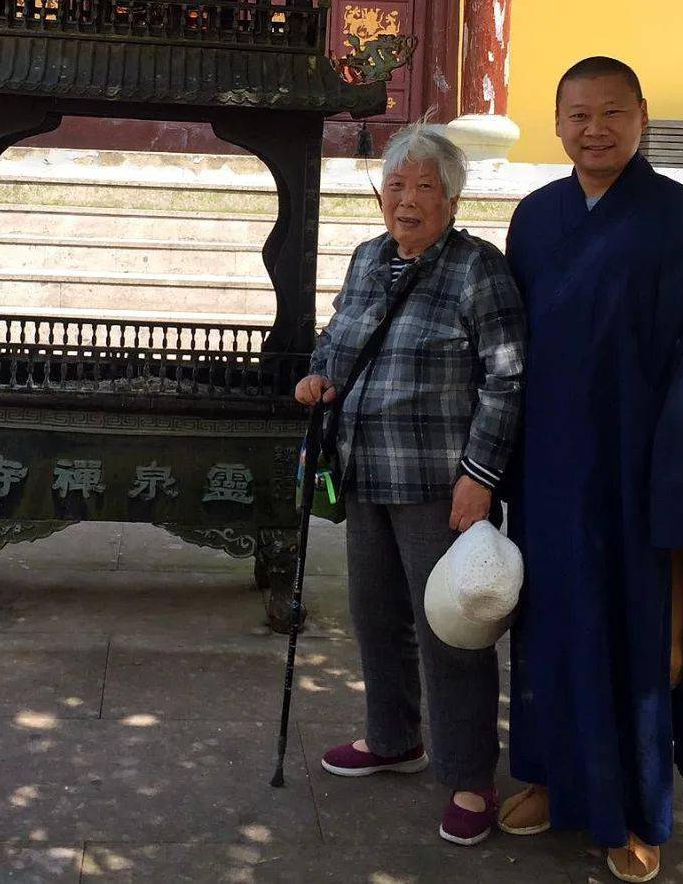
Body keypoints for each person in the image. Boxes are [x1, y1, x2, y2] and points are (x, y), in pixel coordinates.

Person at [498, 57, 683, 882]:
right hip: (550, 471)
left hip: (641, 475)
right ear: (556, 121)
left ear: (643, 115)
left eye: (612, 112)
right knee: (550, 630)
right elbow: (509, 353)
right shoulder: (534, 219)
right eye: (578, 113)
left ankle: (633, 811)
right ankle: (549, 776)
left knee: (638, 641)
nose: (594, 128)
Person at [294, 122, 526, 847]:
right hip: (365, 469)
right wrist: (318, 373)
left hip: (437, 483)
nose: (408, 198)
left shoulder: (478, 269)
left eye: (426, 185)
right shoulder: (367, 258)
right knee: (375, 614)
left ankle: (469, 774)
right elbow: (337, 336)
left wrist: (479, 475)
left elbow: (508, 377)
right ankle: (392, 735)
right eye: (396, 184)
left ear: (453, 198)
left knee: (452, 629)